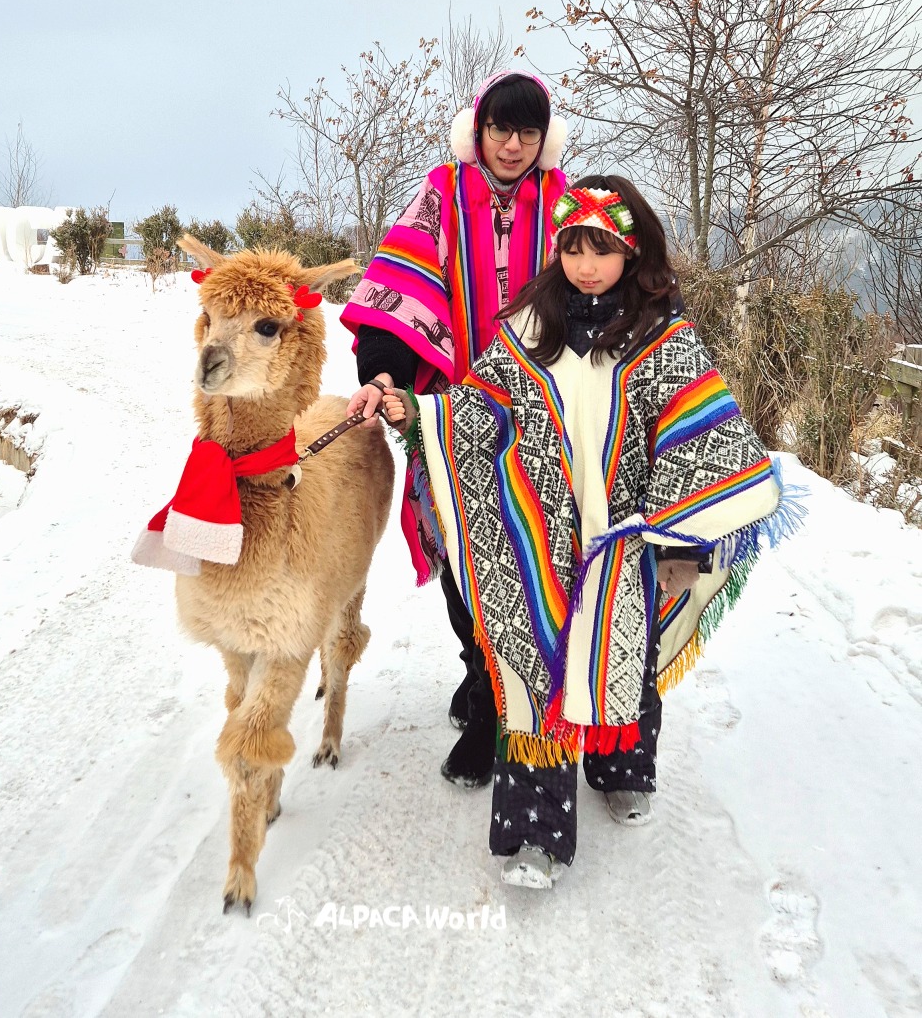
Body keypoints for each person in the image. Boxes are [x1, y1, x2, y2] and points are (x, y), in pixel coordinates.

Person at [380, 175, 800, 888]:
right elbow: (482, 408)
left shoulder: (664, 338)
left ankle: (621, 767)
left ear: (631, 251)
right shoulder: (528, 329)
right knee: (536, 674)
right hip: (539, 532)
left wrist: (679, 543)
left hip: (626, 539)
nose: (585, 265)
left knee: (623, 659)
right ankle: (534, 836)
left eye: (601, 249)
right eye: (573, 248)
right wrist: (418, 414)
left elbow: (697, 438)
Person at [340, 71, 568, 788]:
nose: (512, 145)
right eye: (500, 128)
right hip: (446, 415)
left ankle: (502, 708)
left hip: (538, 421)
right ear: (478, 130)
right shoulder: (441, 195)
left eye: (528, 132)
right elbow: (397, 291)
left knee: (525, 559)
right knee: (464, 560)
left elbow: (605, 290)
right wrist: (382, 373)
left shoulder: (565, 205)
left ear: (545, 140)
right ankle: (481, 678)